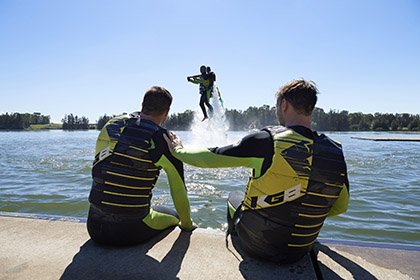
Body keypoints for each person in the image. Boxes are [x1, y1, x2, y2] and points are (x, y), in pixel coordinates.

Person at [165, 79, 349, 264]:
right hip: (301, 249)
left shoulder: (267, 141)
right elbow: (340, 207)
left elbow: (209, 158)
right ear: (311, 107)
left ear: (283, 104)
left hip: (260, 246)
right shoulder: (335, 151)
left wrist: (177, 150)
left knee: (234, 197)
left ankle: (232, 248)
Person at [87, 86, 196, 246]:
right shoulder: (164, 139)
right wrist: (187, 226)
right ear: (166, 112)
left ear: (142, 105)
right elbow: (178, 189)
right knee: (174, 216)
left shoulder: (111, 126)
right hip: (129, 231)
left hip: (94, 226)